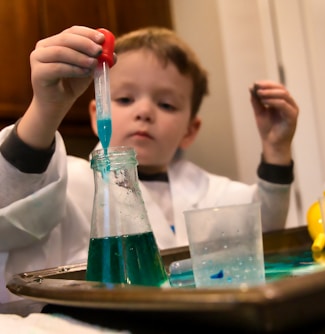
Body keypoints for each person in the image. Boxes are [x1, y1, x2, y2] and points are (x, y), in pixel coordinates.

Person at [0, 25, 298, 303]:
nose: (144, 111)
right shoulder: (65, 179)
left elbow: (260, 234)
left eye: (166, 104)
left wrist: (276, 150)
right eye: (126, 99)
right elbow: (11, 207)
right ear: (96, 113)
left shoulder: (209, 191)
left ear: (190, 130)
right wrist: (45, 110)